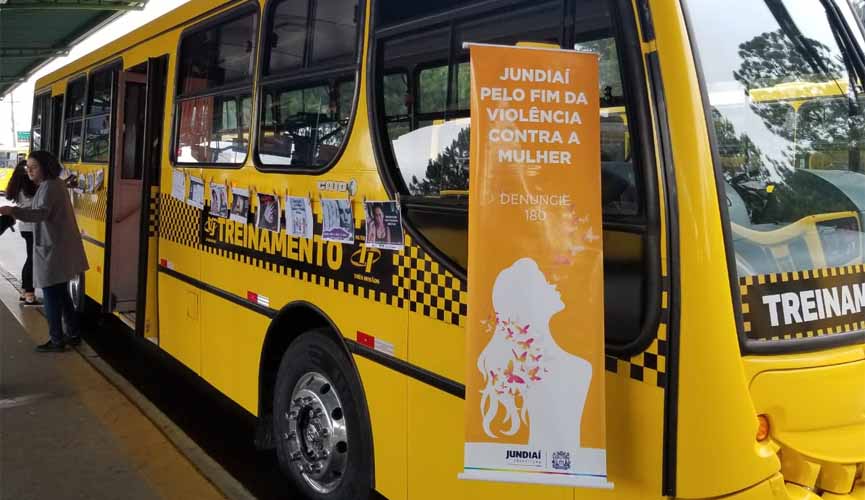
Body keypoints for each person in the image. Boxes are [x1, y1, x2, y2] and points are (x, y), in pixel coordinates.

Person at [0, 151, 89, 352]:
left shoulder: (49, 187)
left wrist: (12, 211)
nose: (29, 171)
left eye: (34, 167)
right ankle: (73, 334)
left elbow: (40, 214)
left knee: (50, 294)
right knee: (62, 293)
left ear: (45, 167)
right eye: (27, 167)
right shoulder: (55, 184)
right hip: (60, 247)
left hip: (54, 250)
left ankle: (56, 340)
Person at [5, 160, 39, 305]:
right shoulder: (32, 189)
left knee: (30, 258)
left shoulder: (17, 188)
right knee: (32, 260)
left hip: (24, 227)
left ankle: (25, 291)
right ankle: (30, 294)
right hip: (33, 227)